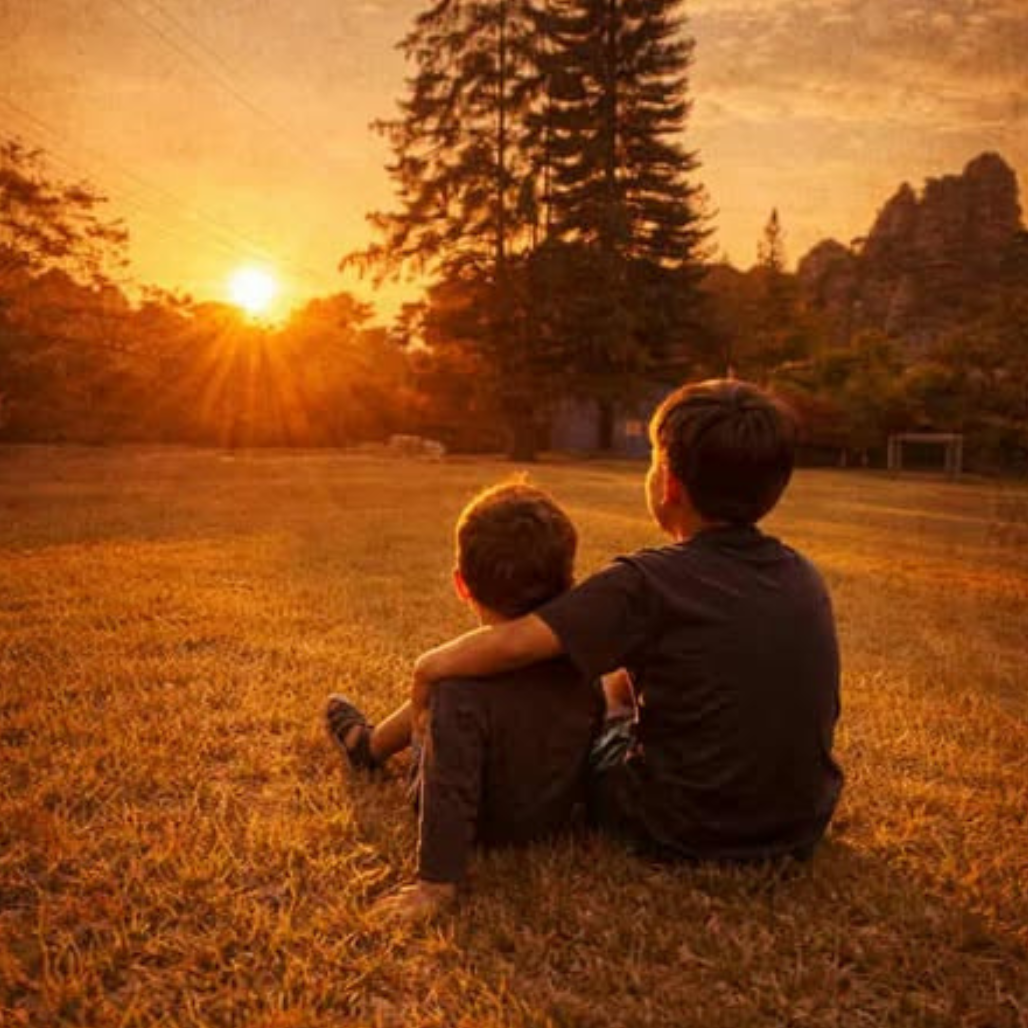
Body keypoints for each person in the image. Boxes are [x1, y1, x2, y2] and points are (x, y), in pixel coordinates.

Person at [412, 379, 843, 864]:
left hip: (678, 827)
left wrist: (428, 667)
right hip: (801, 825)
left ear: (670, 484)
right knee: (621, 676)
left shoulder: (646, 582)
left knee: (599, 711)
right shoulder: (803, 574)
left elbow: (514, 645)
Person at [325, 482, 603, 922]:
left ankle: (369, 744)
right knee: (453, 672)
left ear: (461, 585)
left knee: (443, 682)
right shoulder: (588, 657)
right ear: (569, 578)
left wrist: (436, 883)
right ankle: (371, 743)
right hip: (548, 822)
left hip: (482, 826)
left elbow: (448, 787)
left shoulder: (458, 692)